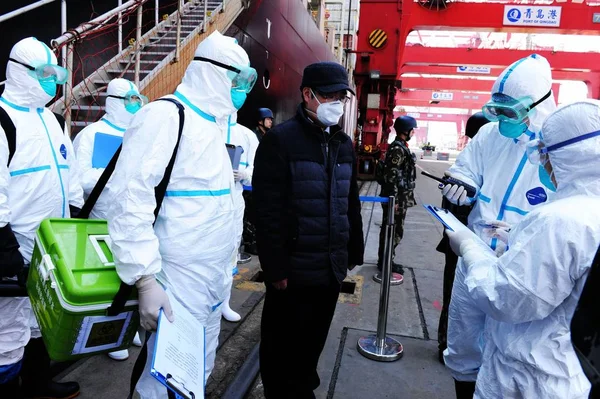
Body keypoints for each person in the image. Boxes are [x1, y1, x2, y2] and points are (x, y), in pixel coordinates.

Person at [100, 31, 255, 397]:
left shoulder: (214, 126)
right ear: (212, 73)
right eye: (237, 79)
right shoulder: (165, 117)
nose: (241, 90)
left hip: (211, 281)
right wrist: (145, 280)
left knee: (195, 370)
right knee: (163, 379)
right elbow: (129, 202)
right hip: (176, 280)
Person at [446, 99, 600, 399]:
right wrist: (519, 237)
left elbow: (504, 298)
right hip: (569, 372)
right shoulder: (588, 211)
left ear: (569, 156)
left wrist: (469, 247)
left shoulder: (559, 221)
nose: (542, 163)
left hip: (528, 379)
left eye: (545, 153)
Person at [441, 54, 557, 399]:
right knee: (463, 337)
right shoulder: (490, 136)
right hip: (475, 253)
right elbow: (466, 170)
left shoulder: (555, 146)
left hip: (523, 262)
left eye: (511, 111)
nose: (503, 120)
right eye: (498, 110)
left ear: (537, 106)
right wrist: (461, 188)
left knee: (512, 347)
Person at [253, 61, 364, 398]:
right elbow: (266, 211)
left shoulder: (344, 144)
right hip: (293, 271)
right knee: (280, 346)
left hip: (330, 267)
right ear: (307, 94)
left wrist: (352, 251)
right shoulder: (280, 141)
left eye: (341, 97)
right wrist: (275, 267)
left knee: (313, 340)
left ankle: (303, 387)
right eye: (329, 96)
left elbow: (351, 202)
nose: (336, 104)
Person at [0, 37, 83, 399]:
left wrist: (76, 220)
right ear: (20, 72)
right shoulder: (2, 121)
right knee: (7, 332)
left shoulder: (51, 119)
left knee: (40, 325)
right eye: (46, 74)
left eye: (56, 74)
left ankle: (37, 385)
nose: (53, 82)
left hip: (51, 246)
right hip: (16, 249)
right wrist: (6, 255)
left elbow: (70, 174)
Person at [73, 77, 145, 361]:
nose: (135, 106)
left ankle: (127, 327)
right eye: (130, 100)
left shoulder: (139, 135)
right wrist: (113, 176)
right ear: (113, 102)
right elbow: (78, 179)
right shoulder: (92, 134)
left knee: (133, 275)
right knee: (106, 280)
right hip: (101, 219)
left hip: (132, 217)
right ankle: (109, 335)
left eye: (138, 100)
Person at [436, 111, 491, 363]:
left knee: (458, 297)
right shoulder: (469, 168)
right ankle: (448, 345)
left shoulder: (475, 166)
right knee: (458, 297)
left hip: (464, 245)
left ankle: (448, 344)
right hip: (462, 245)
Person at [221, 112, 259, 322]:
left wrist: (245, 175)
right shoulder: (207, 128)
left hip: (235, 200)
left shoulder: (246, 135)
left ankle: (224, 301)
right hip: (208, 201)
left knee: (230, 251)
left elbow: (259, 167)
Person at [376, 115, 418, 278]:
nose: (413, 132)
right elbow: (391, 175)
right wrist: (393, 199)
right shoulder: (398, 149)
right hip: (396, 199)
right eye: (412, 130)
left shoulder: (400, 147)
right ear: (406, 131)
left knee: (394, 231)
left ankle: (387, 260)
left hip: (400, 197)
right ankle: (385, 262)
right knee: (393, 231)